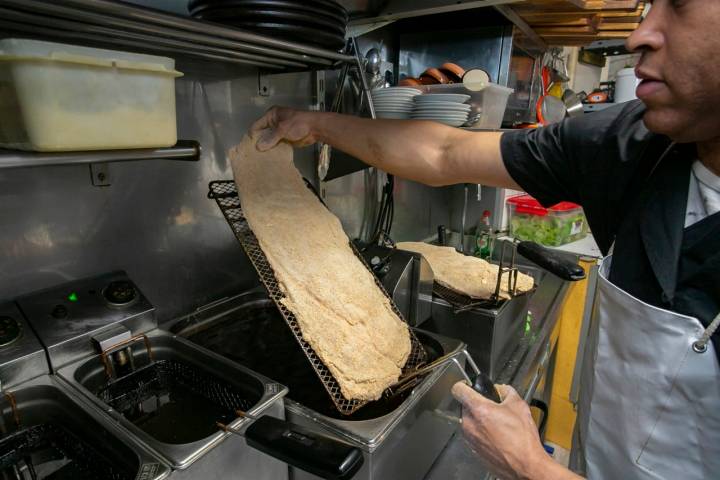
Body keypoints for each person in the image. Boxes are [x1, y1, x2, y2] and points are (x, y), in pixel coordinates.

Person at [250, 0, 720, 478]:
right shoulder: (630, 144)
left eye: (679, 4)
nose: (639, 34)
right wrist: (314, 123)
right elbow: (444, 151)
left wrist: (531, 467)